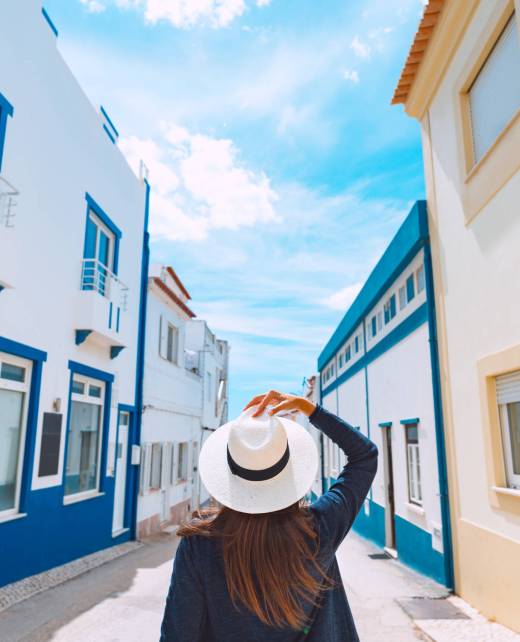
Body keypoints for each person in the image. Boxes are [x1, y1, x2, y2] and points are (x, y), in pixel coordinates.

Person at [160, 390, 378, 642]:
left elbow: (178, 634)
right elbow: (364, 456)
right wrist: (311, 410)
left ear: (230, 474)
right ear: (289, 469)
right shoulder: (321, 527)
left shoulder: (199, 544)